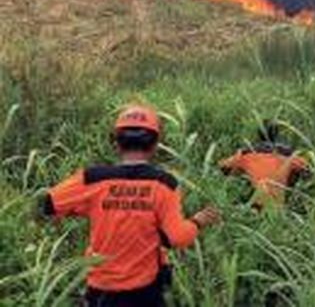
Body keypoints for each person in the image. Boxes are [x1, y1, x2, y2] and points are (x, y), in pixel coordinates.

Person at [40, 104, 221, 307]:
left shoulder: (92, 178)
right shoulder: (164, 184)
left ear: (116, 143)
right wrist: (197, 221)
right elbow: (176, 238)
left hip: (100, 290)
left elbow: (49, 203)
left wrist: (88, 208)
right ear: (155, 145)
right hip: (145, 291)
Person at [219, 120, 310, 210]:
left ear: (259, 135)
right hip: (279, 206)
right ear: (276, 135)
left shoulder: (247, 154)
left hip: (256, 205)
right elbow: (308, 172)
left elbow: (223, 168)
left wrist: (242, 170)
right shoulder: (290, 156)